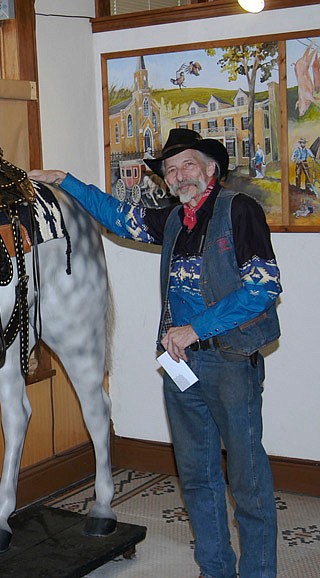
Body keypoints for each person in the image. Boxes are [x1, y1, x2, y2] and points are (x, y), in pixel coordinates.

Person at [30, 128, 281, 578]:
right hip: (181, 368)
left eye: (188, 165)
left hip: (231, 363)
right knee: (198, 478)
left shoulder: (239, 211)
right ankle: (215, 570)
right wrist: (66, 180)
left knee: (249, 481)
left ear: (210, 169)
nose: (179, 175)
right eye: (170, 170)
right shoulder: (172, 219)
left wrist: (194, 329)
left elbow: (264, 287)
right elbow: (119, 214)